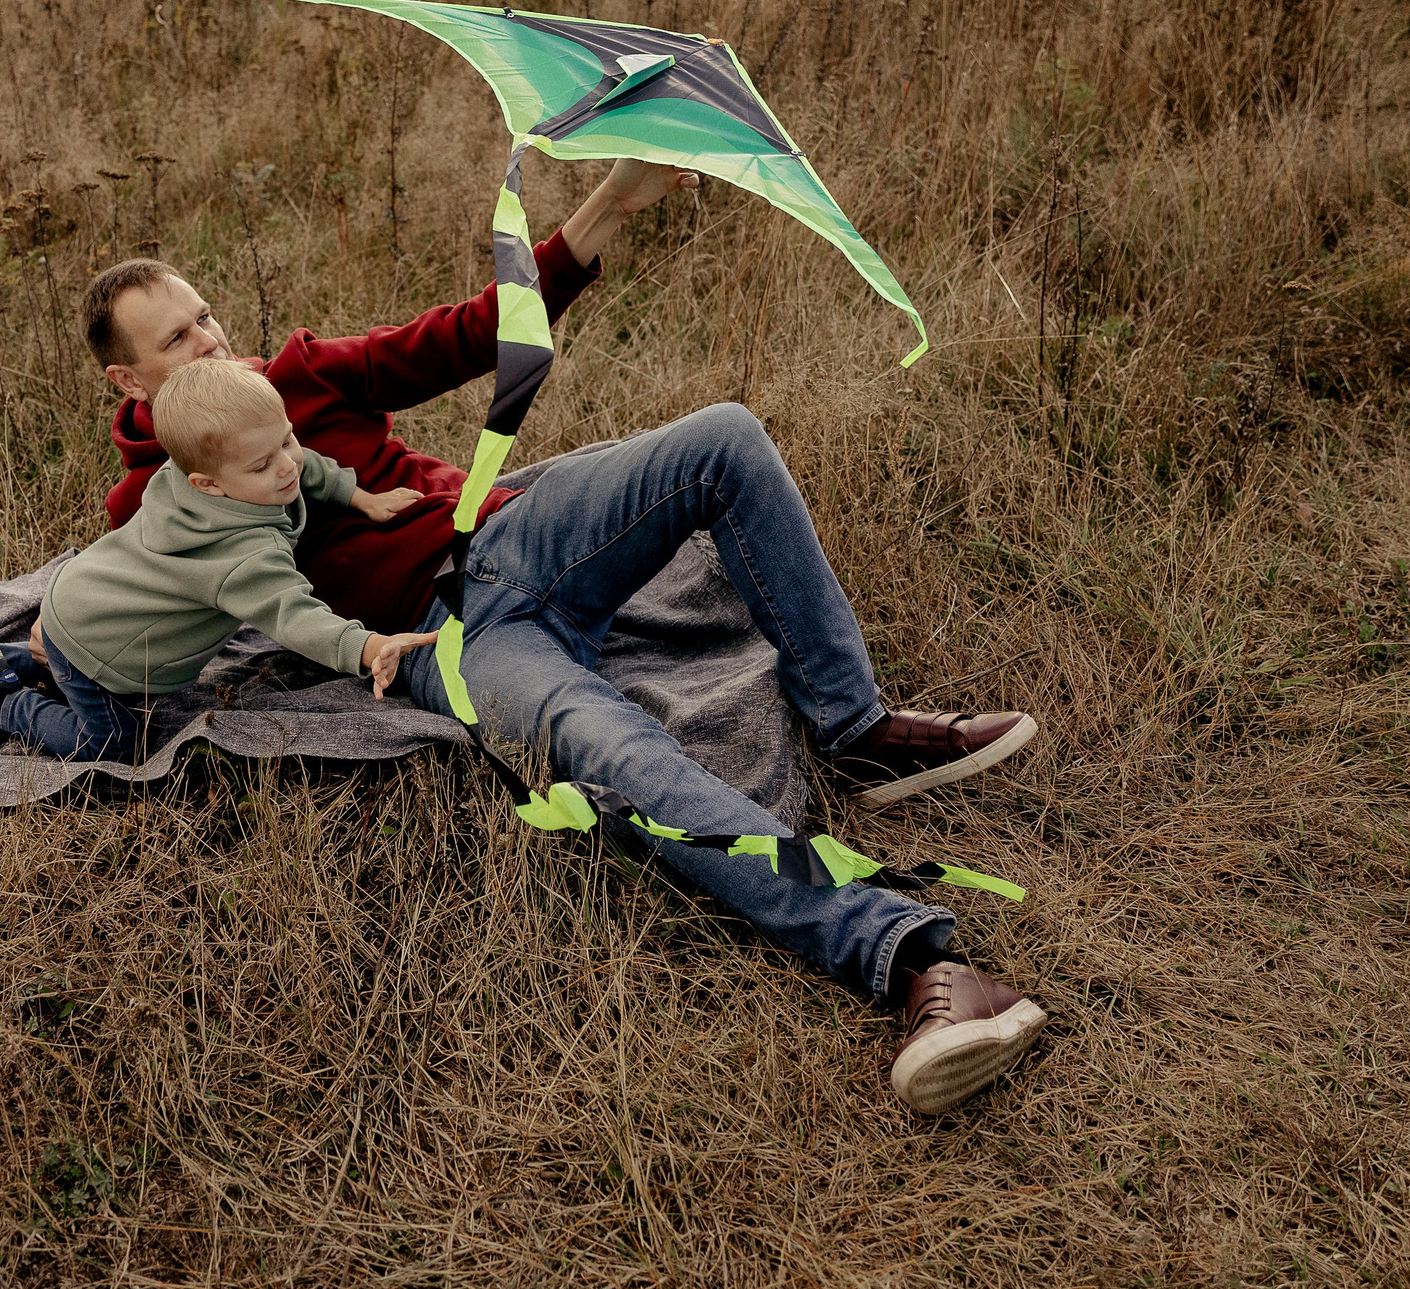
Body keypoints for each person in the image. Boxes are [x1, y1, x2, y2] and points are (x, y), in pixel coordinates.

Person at [78, 159, 1047, 1115]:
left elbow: (462, 336)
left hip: (514, 532)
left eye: (205, 315)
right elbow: (128, 618)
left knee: (723, 436)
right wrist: (46, 665)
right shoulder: (152, 509)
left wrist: (609, 205)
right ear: (125, 378)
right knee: (607, 746)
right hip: (444, 641)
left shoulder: (291, 376)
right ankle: (916, 959)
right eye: (177, 337)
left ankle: (855, 727)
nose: (211, 341)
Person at [0, 359, 438, 757]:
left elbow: (307, 466)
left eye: (287, 441)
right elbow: (294, 616)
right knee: (116, 744)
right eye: (261, 464)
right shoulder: (240, 556)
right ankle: (6, 703)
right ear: (209, 482)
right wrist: (367, 646)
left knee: (57, 664)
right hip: (103, 654)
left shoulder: (194, 476)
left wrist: (360, 496)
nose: (286, 468)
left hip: (83, 600)